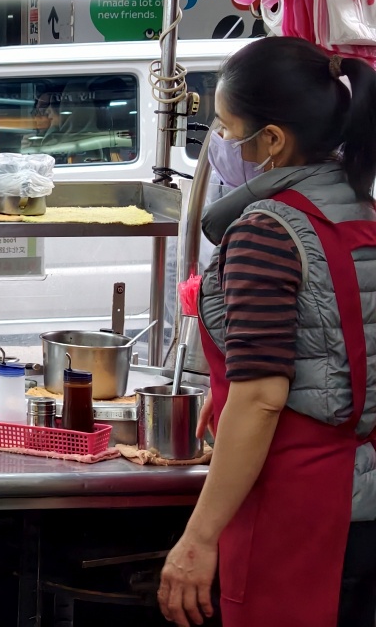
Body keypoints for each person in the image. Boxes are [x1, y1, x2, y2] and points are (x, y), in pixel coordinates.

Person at [158, 37, 376, 627]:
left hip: (297, 503)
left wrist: (197, 540)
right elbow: (335, 343)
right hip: (362, 497)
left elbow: (261, 398)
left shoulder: (267, 231)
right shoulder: (361, 207)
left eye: (227, 130)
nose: (222, 144)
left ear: (272, 140)